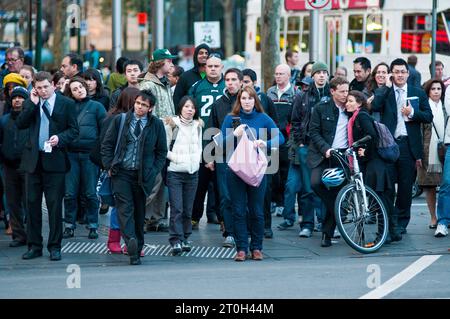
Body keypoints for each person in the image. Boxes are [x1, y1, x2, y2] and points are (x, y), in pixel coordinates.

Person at [16, 71, 78, 261]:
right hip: (33, 161)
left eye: (45, 87)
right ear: (34, 87)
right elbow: (20, 124)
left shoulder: (66, 103)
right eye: (39, 88)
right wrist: (32, 105)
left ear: (53, 85)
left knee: (53, 206)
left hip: (56, 161)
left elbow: (74, 130)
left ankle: (54, 246)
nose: (43, 91)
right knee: (32, 205)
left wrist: (60, 138)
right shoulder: (31, 102)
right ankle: (34, 246)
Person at [101, 89, 167, 265]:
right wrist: (108, 166)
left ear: (150, 108)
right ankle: (130, 240)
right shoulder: (120, 120)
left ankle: (137, 247)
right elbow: (107, 144)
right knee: (124, 208)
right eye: (138, 103)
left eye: (144, 105)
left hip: (143, 176)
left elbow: (161, 152)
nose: (139, 107)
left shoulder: (157, 125)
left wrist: (153, 171)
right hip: (121, 173)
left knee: (139, 212)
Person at [221, 86, 284, 261]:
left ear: (255, 100)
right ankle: (241, 248)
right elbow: (220, 145)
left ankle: (256, 247)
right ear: (239, 101)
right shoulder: (231, 118)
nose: (247, 102)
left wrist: (266, 142)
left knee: (257, 210)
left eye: (250, 98)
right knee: (239, 210)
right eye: (243, 98)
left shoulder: (263, 118)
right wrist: (234, 134)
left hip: (256, 171)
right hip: (236, 171)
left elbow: (281, 138)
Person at [371, 58, 433, 234]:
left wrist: (412, 113)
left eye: (402, 72)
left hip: (408, 145)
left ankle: (401, 223)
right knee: (388, 187)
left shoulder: (417, 92)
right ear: (392, 74)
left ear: (407, 73)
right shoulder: (385, 92)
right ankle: (389, 222)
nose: (399, 75)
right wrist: (386, 88)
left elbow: (428, 116)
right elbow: (375, 106)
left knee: (405, 188)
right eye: (396, 72)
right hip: (388, 145)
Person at [345, 90, 400, 242]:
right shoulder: (356, 116)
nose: (347, 103)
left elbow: (372, 135)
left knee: (379, 200)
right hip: (375, 163)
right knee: (385, 199)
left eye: (350, 101)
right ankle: (393, 232)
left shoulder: (361, 116)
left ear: (359, 103)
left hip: (375, 163)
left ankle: (384, 234)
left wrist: (363, 149)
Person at [284, 61, 331, 237]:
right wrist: (301, 143)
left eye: (324, 72)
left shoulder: (332, 94)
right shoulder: (302, 96)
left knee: (326, 187)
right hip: (307, 147)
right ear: (312, 76)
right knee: (307, 188)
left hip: (326, 148)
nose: (321, 75)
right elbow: (294, 121)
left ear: (327, 75)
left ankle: (324, 223)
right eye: (318, 73)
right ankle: (308, 224)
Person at [61, 77, 106, 239]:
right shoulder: (67, 107)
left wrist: (99, 153)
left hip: (90, 155)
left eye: (81, 86)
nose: (79, 90)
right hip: (71, 154)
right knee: (70, 193)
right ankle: (69, 225)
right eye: (75, 89)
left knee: (90, 193)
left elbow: (104, 131)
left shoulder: (97, 106)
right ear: (70, 93)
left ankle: (93, 225)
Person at [308, 77, 350, 247]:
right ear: (332, 91)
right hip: (323, 154)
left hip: (342, 156)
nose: (345, 95)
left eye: (347, 91)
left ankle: (327, 233)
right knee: (316, 183)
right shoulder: (321, 108)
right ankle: (338, 210)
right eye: (342, 91)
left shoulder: (351, 108)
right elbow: (314, 132)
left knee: (337, 191)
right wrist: (326, 149)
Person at [140, 49, 178, 232]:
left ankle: (155, 218)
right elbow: (145, 113)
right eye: (169, 61)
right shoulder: (148, 85)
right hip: (153, 140)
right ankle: (140, 217)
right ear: (159, 63)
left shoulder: (166, 83)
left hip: (167, 139)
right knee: (153, 181)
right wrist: (167, 122)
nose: (172, 64)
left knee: (163, 180)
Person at [207, 68, 243, 247]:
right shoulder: (218, 104)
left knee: (244, 196)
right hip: (223, 156)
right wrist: (210, 157)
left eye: (234, 79)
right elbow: (212, 131)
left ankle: (243, 231)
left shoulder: (247, 102)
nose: (230, 82)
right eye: (227, 79)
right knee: (226, 196)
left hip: (246, 156)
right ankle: (229, 232)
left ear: (241, 82)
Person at [189, 53, 225, 229]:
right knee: (199, 183)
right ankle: (194, 217)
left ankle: (223, 219)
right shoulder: (197, 87)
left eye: (216, 66)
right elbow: (188, 108)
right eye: (209, 66)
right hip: (201, 140)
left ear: (221, 68)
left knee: (221, 185)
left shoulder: (229, 86)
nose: (212, 69)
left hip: (223, 141)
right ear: (205, 67)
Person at [242, 68, 279, 238]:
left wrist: (268, 144)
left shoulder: (264, 100)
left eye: (247, 82)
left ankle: (266, 225)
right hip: (243, 157)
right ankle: (248, 227)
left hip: (263, 154)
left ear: (255, 83)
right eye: (242, 81)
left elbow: (275, 127)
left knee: (265, 190)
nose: (244, 85)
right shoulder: (237, 107)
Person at [165, 96, 202, 255]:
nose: (189, 110)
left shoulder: (198, 125)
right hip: (175, 173)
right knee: (177, 209)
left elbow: (200, 146)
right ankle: (175, 240)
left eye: (192, 107)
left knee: (188, 209)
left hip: (193, 174)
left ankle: (185, 238)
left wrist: (197, 162)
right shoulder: (172, 124)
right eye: (186, 106)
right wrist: (178, 159)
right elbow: (164, 148)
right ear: (180, 108)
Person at [266, 64, 299, 217]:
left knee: (285, 171)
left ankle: (282, 204)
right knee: (273, 170)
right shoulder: (269, 92)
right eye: (276, 73)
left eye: (281, 74)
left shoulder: (295, 93)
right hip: (272, 136)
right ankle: (273, 200)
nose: (278, 76)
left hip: (287, 137)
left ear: (288, 75)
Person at [0, 86, 30, 247]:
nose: (17, 100)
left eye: (20, 97)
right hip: (9, 166)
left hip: (27, 166)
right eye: (14, 98)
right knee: (12, 202)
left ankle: (31, 235)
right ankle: (18, 235)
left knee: (28, 201)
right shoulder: (4, 120)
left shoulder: (31, 118)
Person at [417, 79, 446, 231]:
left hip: (445, 149)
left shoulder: (445, 106)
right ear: (428, 91)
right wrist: (418, 154)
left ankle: (444, 217)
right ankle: (433, 217)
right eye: (433, 88)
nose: (436, 91)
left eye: (439, 89)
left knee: (446, 185)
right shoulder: (424, 106)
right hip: (427, 151)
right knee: (430, 186)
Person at [173, 44, 210, 108]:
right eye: (201, 53)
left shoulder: (215, 77)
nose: (204, 55)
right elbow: (177, 99)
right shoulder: (185, 77)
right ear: (196, 56)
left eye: (206, 53)